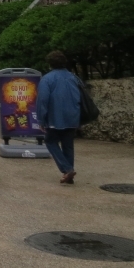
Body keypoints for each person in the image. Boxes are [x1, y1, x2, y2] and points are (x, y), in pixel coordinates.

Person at [37, 50, 83, 185]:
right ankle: (70, 176)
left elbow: (43, 101)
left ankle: (67, 169)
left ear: (50, 64)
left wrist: (41, 119)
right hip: (73, 115)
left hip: (55, 117)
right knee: (68, 145)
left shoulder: (47, 79)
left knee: (50, 141)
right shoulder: (73, 77)